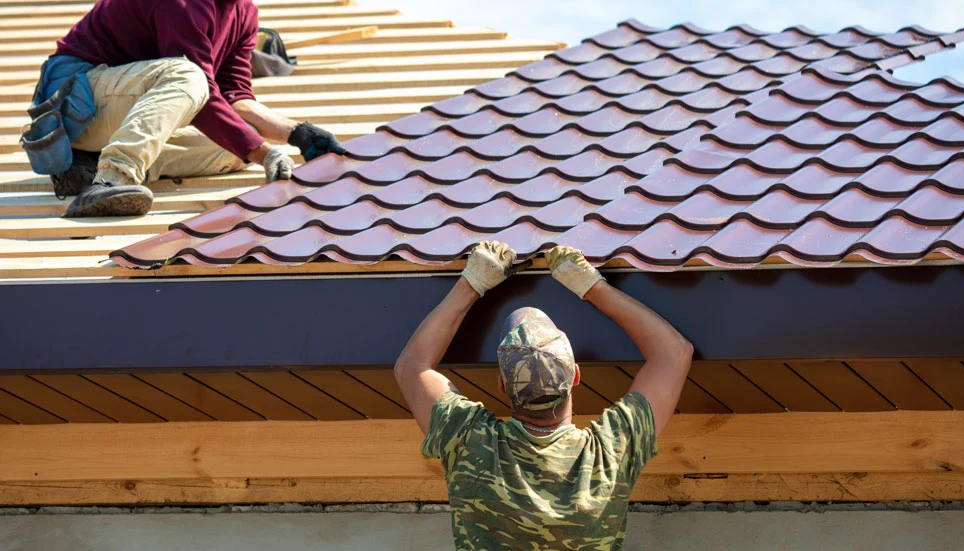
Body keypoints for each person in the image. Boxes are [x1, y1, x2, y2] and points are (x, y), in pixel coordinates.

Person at [394, 242, 694, 550]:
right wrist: (590, 286)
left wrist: (471, 283)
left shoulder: (470, 440)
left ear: (501, 385)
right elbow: (673, 352)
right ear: (576, 376)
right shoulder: (609, 454)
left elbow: (411, 368)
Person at [24, 0, 344, 218]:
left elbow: (235, 94)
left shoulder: (243, 12)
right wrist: (264, 153)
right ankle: (111, 180)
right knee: (189, 76)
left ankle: (88, 167)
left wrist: (295, 133)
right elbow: (197, 87)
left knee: (234, 149)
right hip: (76, 101)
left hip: (129, 104)